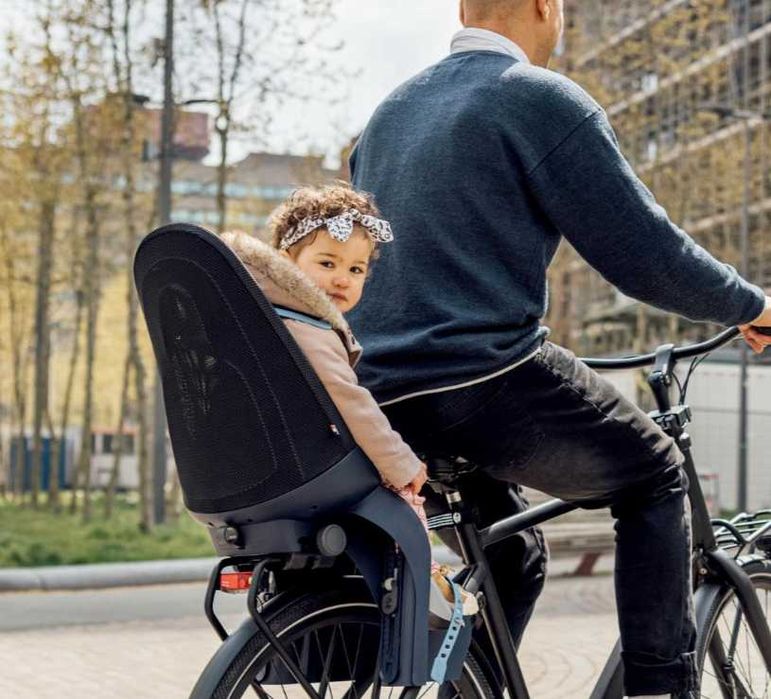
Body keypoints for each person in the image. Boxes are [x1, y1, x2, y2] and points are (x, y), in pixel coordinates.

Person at [347, 1, 771, 697]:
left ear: (462, 8)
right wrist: (751, 304)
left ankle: (465, 688)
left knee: (510, 553)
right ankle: (659, 689)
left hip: (383, 398)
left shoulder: (387, 116)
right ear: (546, 6)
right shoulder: (535, 98)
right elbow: (645, 254)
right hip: (481, 380)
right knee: (655, 471)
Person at [222, 184, 477, 623]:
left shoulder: (266, 318)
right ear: (286, 265)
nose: (343, 278)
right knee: (405, 496)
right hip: (313, 468)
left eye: (357, 269)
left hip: (272, 467)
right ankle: (425, 586)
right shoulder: (304, 324)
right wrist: (401, 463)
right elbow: (349, 399)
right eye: (327, 263)